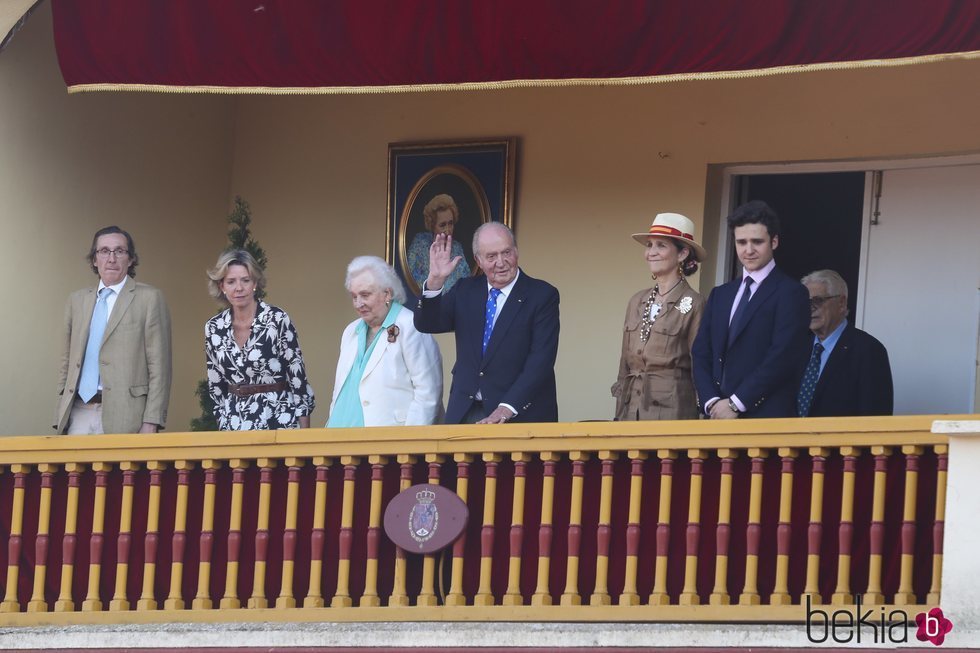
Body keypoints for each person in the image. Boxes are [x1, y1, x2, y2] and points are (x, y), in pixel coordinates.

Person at [415, 222, 560, 424]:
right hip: (466, 411)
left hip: (518, 414)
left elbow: (541, 361)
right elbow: (427, 324)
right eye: (491, 256)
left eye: (506, 252)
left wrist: (506, 408)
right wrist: (435, 281)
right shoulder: (465, 290)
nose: (501, 262)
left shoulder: (542, 295)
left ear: (516, 251)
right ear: (478, 260)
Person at [692, 200, 810, 418]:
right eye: (741, 242)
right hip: (717, 416)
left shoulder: (792, 293)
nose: (748, 250)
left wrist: (736, 403)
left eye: (757, 241)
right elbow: (701, 352)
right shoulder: (721, 294)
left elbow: (783, 357)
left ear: (774, 242)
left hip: (767, 419)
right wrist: (711, 402)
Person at [55, 226, 172, 435]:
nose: (112, 258)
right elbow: (67, 360)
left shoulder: (149, 298)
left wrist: (152, 420)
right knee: (76, 469)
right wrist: (63, 402)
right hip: (79, 411)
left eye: (119, 251)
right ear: (94, 259)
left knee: (119, 470)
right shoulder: (77, 300)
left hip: (128, 416)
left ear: (131, 259)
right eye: (104, 251)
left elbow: (160, 367)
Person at [205, 249, 315, 430]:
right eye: (231, 282)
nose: (238, 288)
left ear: (255, 283)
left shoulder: (277, 319)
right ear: (222, 286)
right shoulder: (214, 328)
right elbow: (216, 386)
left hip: (278, 420)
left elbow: (298, 380)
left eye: (245, 280)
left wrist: (304, 439)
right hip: (233, 425)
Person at [328, 256, 444, 427]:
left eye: (365, 295)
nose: (359, 303)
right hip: (339, 437)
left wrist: (410, 443)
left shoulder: (411, 326)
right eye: (354, 297)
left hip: (389, 442)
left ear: (387, 294)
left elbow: (428, 393)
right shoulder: (351, 331)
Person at [613, 213, 706, 420]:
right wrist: (619, 415)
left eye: (661, 245)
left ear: (682, 254)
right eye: (649, 245)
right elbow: (624, 367)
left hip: (673, 412)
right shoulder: (637, 300)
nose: (651, 253)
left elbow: (700, 366)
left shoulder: (694, 302)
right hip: (631, 410)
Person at [797, 269, 893, 417]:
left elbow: (875, 417)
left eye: (818, 301)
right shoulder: (797, 348)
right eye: (805, 302)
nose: (810, 308)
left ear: (841, 303)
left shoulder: (869, 350)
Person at [406, 194, 470, 291]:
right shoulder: (419, 244)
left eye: (451, 223)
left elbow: (466, 283)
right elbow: (412, 282)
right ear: (432, 225)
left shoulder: (457, 248)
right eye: (442, 225)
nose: (448, 230)